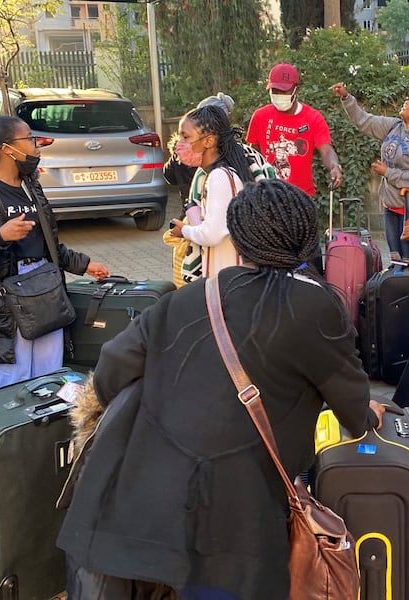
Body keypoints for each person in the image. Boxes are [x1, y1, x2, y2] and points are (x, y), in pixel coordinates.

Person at [58, 178, 387, 599]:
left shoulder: (189, 296)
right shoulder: (316, 307)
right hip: (240, 510)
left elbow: (111, 369)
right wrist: (365, 416)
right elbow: (349, 403)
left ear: (238, 235)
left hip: (149, 500)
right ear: (306, 239)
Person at [0, 116, 109, 388]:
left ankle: (46, 429)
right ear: (6, 148)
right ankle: (15, 429)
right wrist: (0, 235)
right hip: (3, 302)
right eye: (29, 138)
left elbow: (47, 244)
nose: (37, 144)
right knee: (14, 383)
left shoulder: (31, 184)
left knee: (49, 376)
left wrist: (84, 265)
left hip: (45, 290)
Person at [330, 82, 409, 261]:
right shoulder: (395, 126)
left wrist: (388, 173)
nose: (407, 102)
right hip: (390, 208)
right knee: (395, 261)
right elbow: (364, 121)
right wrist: (347, 98)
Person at [168, 104, 253, 278]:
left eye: (185, 137)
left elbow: (211, 235)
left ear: (208, 141)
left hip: (228, 277)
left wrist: (183, 230)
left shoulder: (219, 177)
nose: (180, 144)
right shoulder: (218, 174)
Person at [247, 64, 343, 195]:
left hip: (301, 198)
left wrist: (334, 166)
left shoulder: (313, 118)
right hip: (267, 197)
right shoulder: (260, 117)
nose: (279, 95)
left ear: (296, 90)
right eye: (274, 90)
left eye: (284, 91)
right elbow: (252, 155)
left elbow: (326, 150)